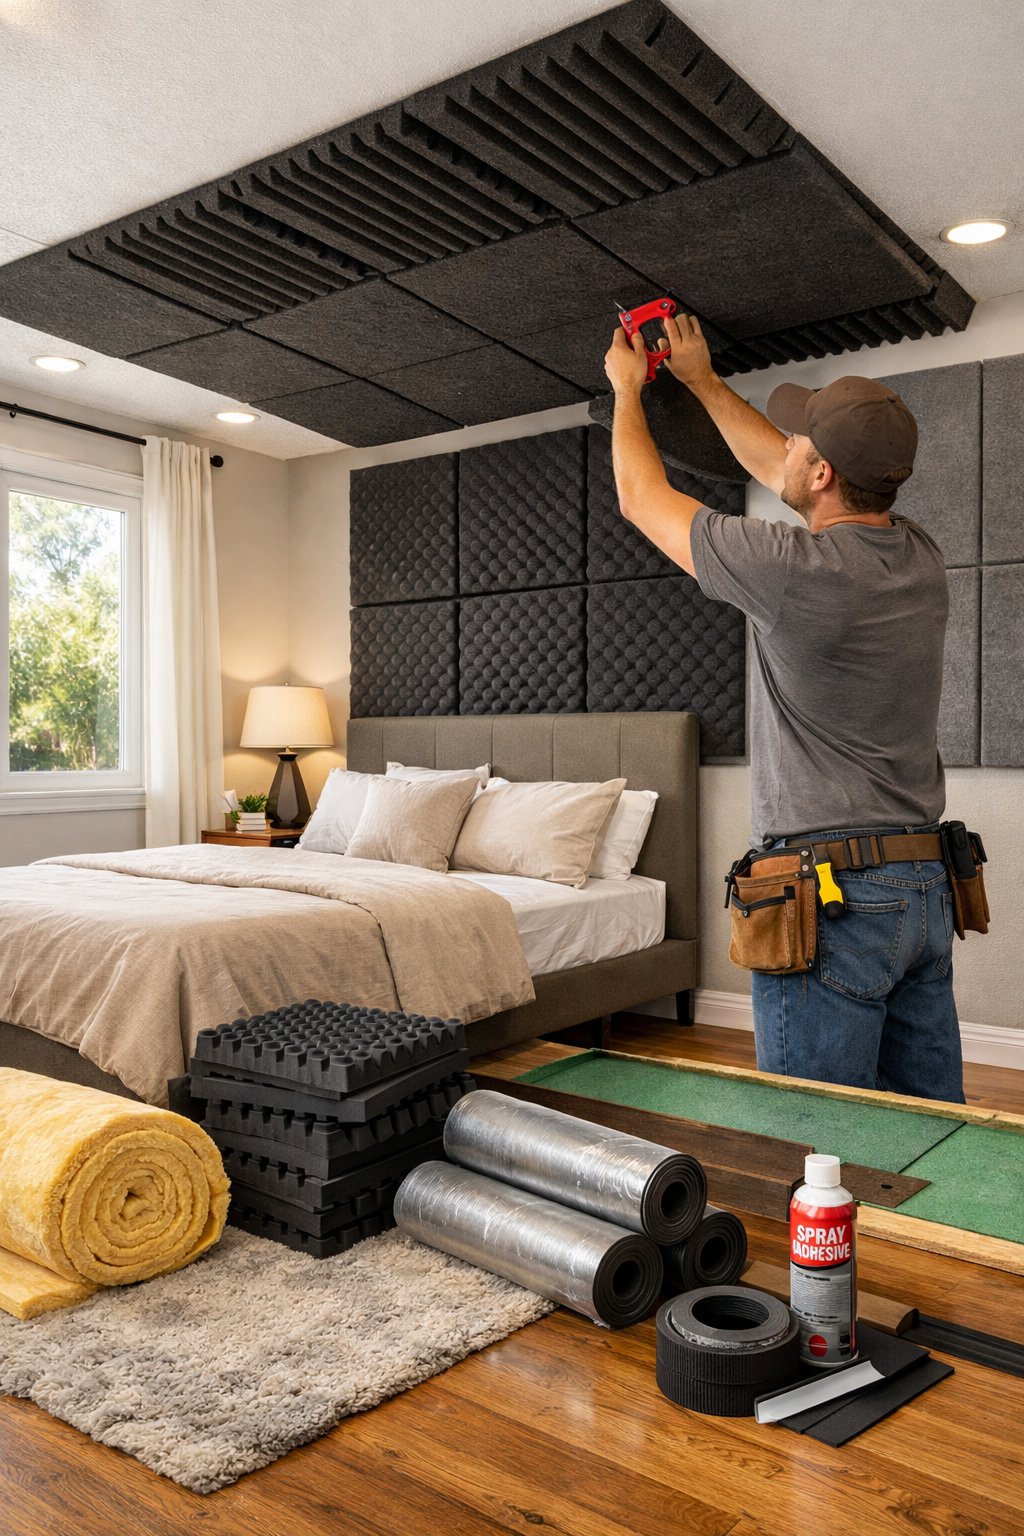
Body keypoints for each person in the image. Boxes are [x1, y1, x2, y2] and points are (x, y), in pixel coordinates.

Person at [604, 315, 965, 1104]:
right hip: (921, 886)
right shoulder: (922, 557)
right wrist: (701, 381)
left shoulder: (794, 571)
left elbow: (641, 497)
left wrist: (627, 390)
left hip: (831, 899)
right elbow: (782, 467)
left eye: (802, 440)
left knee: (817, 1139)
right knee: (932, 1135)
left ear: (825, 473)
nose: (787, 447)